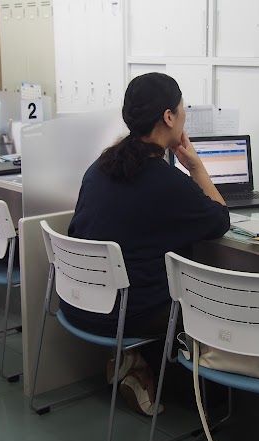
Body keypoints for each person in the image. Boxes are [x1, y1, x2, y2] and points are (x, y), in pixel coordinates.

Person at [62, 72, 230, 416]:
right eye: (182, 108)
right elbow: (220, 219)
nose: (184, 114)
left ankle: (134, 362)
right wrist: (196, 168)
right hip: (123, 316)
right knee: (210, 302)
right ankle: (208, 405)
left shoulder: (99, 168)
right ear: (169, 117)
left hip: (77, 303)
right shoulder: (166, 181)